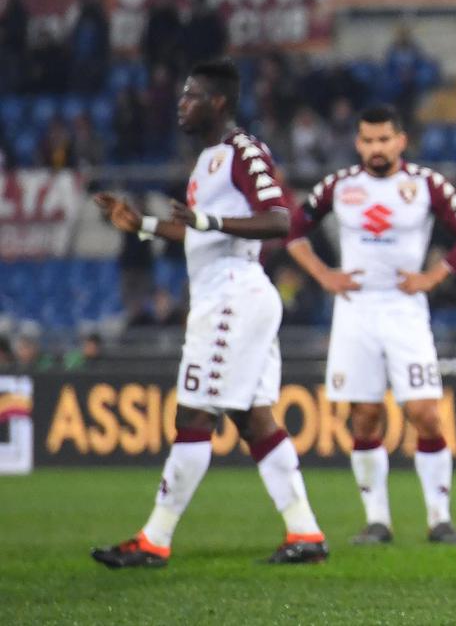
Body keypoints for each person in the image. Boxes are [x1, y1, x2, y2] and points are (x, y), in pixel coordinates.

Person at [91, 59, 328, 568]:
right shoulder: (206, 162)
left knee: (194, 413)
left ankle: (155, 538)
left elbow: (280, 219)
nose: (182, 103)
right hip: (234, 297)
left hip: (231, 298)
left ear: (218, 102)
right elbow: (200, 228)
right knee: (254, 419)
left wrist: (210, 218)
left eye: (191, 95)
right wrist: (142, 224)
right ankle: (306, 533)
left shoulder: (241, 150)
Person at [287, 105, 456, 545]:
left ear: (401, 141)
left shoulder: (424, 184)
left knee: (425, 413)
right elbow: (292, 229)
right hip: (355, 312)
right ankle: (377, 520)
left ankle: (440, 519)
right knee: (364, 416)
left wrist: (434, 277)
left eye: (384, 140)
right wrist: (323, 275)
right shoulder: (339, 186)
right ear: (358, 143)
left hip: (405, 310)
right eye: (368, 140)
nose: (375, 148)